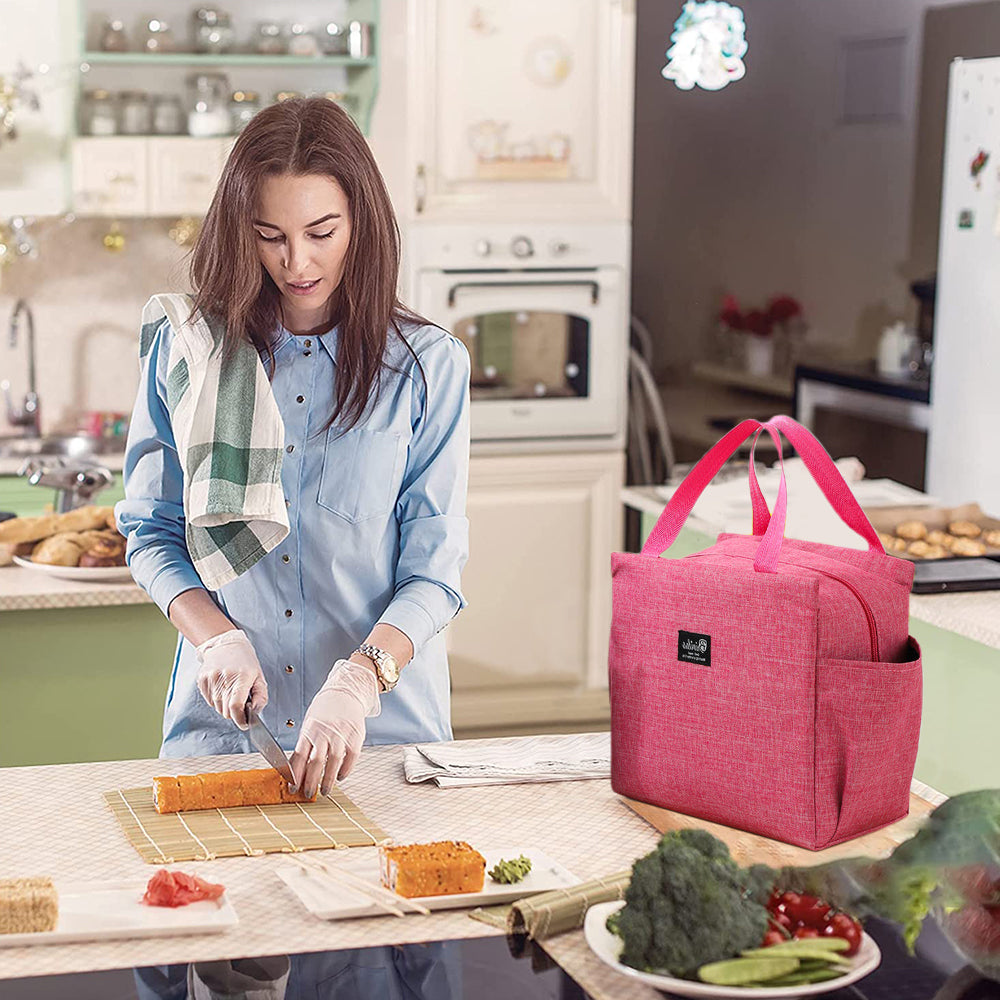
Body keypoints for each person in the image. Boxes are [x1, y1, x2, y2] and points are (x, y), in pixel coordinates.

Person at [116, 97, 471, 799]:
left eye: (321, 231)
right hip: (223, 737)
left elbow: (436, 571)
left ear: (360, 224)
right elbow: (150, 533)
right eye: (269, 234)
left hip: (381, 739)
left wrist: (363, 675)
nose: (297, 261)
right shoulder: (186, 353)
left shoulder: (428, 367)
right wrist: (214, 636)